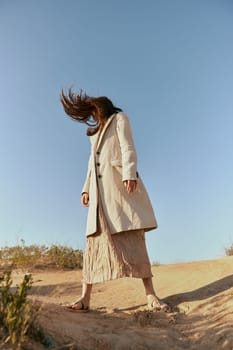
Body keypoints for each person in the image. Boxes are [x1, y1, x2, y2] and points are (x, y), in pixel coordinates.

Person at [60, 89, 168, 312]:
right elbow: (91, 164)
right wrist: (86, 189)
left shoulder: (120, 118)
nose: (92, 116)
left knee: (133, 237)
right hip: (100, 196)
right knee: (93, 244)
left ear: (101, 107)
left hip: (118, 188)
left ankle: (151, 295)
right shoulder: (94, 134)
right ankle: (85, 299)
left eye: (94, 111)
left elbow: (128, 146)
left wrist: (129, 173)